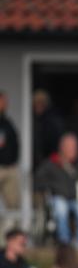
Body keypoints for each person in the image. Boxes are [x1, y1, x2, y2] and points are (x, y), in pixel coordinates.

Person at [34, 133, 78, 250]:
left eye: (74, 147)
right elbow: (38, 180)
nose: (73, 150)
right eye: (69, 147)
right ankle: (65, 242)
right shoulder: (51, 163)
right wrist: (54, 187)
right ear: (62, 148)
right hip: (59, 197)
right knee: (60, 208)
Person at [0, 90, 21, 224]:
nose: (5, 104)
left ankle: (13, 236)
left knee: (13, 205)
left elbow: (15, 143)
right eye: (2, 101)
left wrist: (14, 161)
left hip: (10, 167)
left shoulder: (7, 122)